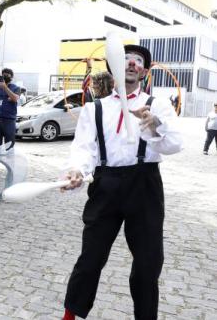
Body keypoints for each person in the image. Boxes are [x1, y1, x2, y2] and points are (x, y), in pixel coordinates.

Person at [60, 44, 182, 320]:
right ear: (114, 66)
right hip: (106, 186)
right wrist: (76, 170)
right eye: (125, 59)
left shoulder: (157, 104)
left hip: (145, 186)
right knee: (90, 258)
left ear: (145, 72)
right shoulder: (95, 109)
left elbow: (175, 144)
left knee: (148, 265)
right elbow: (83, 148)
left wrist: (154, 124)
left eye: (137, 61)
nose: (130, 63)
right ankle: (70, 316)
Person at [0, 68, 20, 178]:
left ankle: (10, 171)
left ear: (11, 76)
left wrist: (5, 87)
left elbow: (15, 98)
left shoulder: (15, 88)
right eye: (3, 74)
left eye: (7, 75)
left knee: (9, 146)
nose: (5, 76)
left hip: (9, 121)